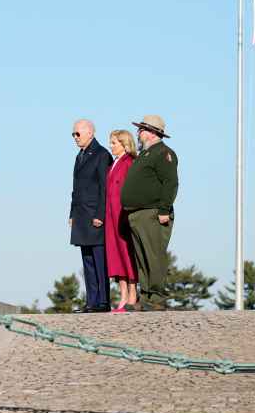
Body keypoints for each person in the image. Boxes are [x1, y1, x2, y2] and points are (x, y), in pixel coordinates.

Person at [121, 115, 179, 311]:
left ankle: (156, 298)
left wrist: (164, 209)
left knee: (154, 256)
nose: (139, 133)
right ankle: (145, 296)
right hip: (137, 214)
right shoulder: (146, 154)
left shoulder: (163, 153)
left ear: (153, 133)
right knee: (142, 257)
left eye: (142, 130)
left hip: (152, 213)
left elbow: (170, 183)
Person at [69, 119, 113, 313]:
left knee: (99, 259)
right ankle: (92, 301)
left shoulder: (102, 155)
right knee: (87, 259)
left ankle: (103, 301)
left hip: (95, 216)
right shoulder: (80, 156)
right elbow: (75, 189)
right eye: (73, 134)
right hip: (81, 217)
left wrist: (100, 214)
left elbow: (105, 188)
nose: (75, 138)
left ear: (90, 133)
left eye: (78, 134)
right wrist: (72, 213)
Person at [104, 129, 138, 312]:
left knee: (127, 255)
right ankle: (123, 295)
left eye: (114, 143)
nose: (111, 146)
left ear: (124, 144)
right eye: (111, 142)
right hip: (111, 218)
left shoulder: (129, 163)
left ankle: (132, 293)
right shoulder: (113, 165)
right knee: (116, 257)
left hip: (123, 216)